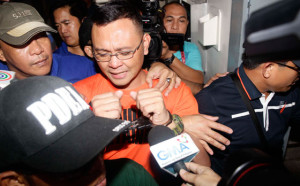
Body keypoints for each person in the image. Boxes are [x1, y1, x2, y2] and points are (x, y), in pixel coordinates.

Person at [72, 1, 211, 183]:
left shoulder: (172, 89)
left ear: (145, 44)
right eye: (103, 53)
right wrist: (91, 130)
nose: (114, 64)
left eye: (125, 52)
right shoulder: (77, 96)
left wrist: (168, 123)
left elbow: (202, 169)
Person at [195, 0, 300, 175]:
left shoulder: (292, 94)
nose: (298, 76)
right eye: (298, 69)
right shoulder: (212, 99)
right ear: (268, 69)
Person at [0, 75, 158, 186]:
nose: (97, 169)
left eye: (94, 149)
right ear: (13, 182)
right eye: (73, 168)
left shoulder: (129, 175)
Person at [0, 2, 179, 86]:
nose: (38, 49)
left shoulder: (83, 67)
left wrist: (155, 65)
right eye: (22, 42)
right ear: (1, 53)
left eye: (40, 36)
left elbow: (121, 68)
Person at [160, 1, 204, 95]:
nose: (175, 27)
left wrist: (168, 57)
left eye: (181, 21)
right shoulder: (150, 46)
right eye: (169, 20)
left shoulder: (190, 48)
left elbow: (198, 80)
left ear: (187, 24)